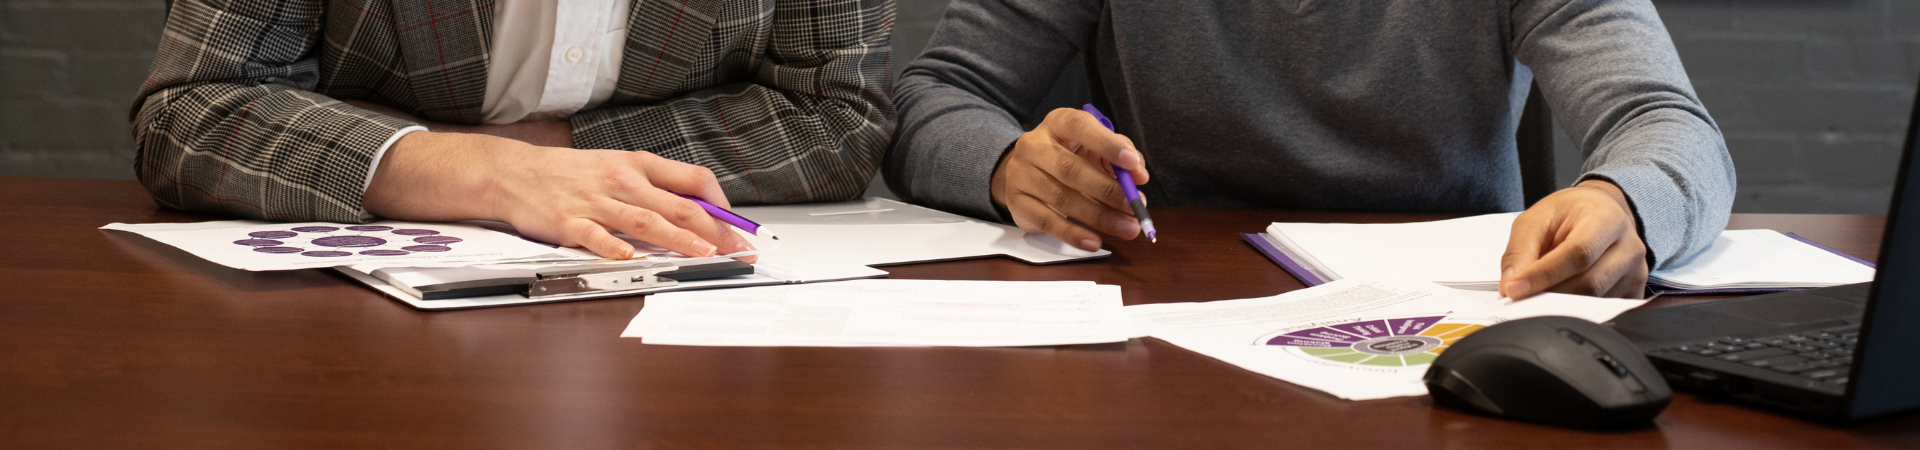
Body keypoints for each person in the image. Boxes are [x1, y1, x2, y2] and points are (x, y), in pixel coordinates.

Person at [886, 0, 1735, 300]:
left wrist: (1624, 202)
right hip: (1172, 314)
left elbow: (1668, 122)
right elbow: (934, 96)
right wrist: (1006, 165)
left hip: (1465, 321)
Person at [132, 0, 894, 262]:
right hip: (347, 305)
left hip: (671, 294)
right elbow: (192, 111)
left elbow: (834, 118)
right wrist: (481, 173)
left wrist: (541, 161)